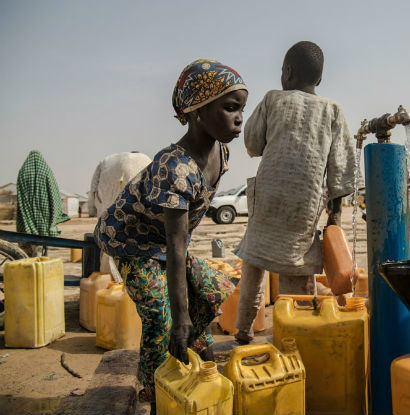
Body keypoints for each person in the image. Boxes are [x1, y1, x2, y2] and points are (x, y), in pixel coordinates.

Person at [93, 59, 247, 413]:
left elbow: (180, 241)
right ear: (197, 112)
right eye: (229, 108)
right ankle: (153, 397)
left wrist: (189, 312)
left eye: (241, 109)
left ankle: (206, 376)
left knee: (205, 297)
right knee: (163, 320)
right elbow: (177, 247)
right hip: (133, 244)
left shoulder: (221, 154)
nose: (239, 118)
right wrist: (180, 319)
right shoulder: (174, 167)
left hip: (166, 243)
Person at [233, 41, 356, 344]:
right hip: (304, 205)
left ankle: (244, 330)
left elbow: (252, 143)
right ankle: (296, 335)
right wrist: (335, 217)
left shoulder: (273, 99)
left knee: (255, 259)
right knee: (296, 263)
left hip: (267, 203)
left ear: (286, 72)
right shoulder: (332, 110)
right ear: (320, 80)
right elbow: (341, 168)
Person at [16, 150, 70, 256]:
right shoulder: (45, 171)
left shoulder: (23, 171)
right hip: (44, 216)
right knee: (41, 244)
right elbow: (54, 193)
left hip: (27, 215)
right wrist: (56, 212)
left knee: (29, 246)